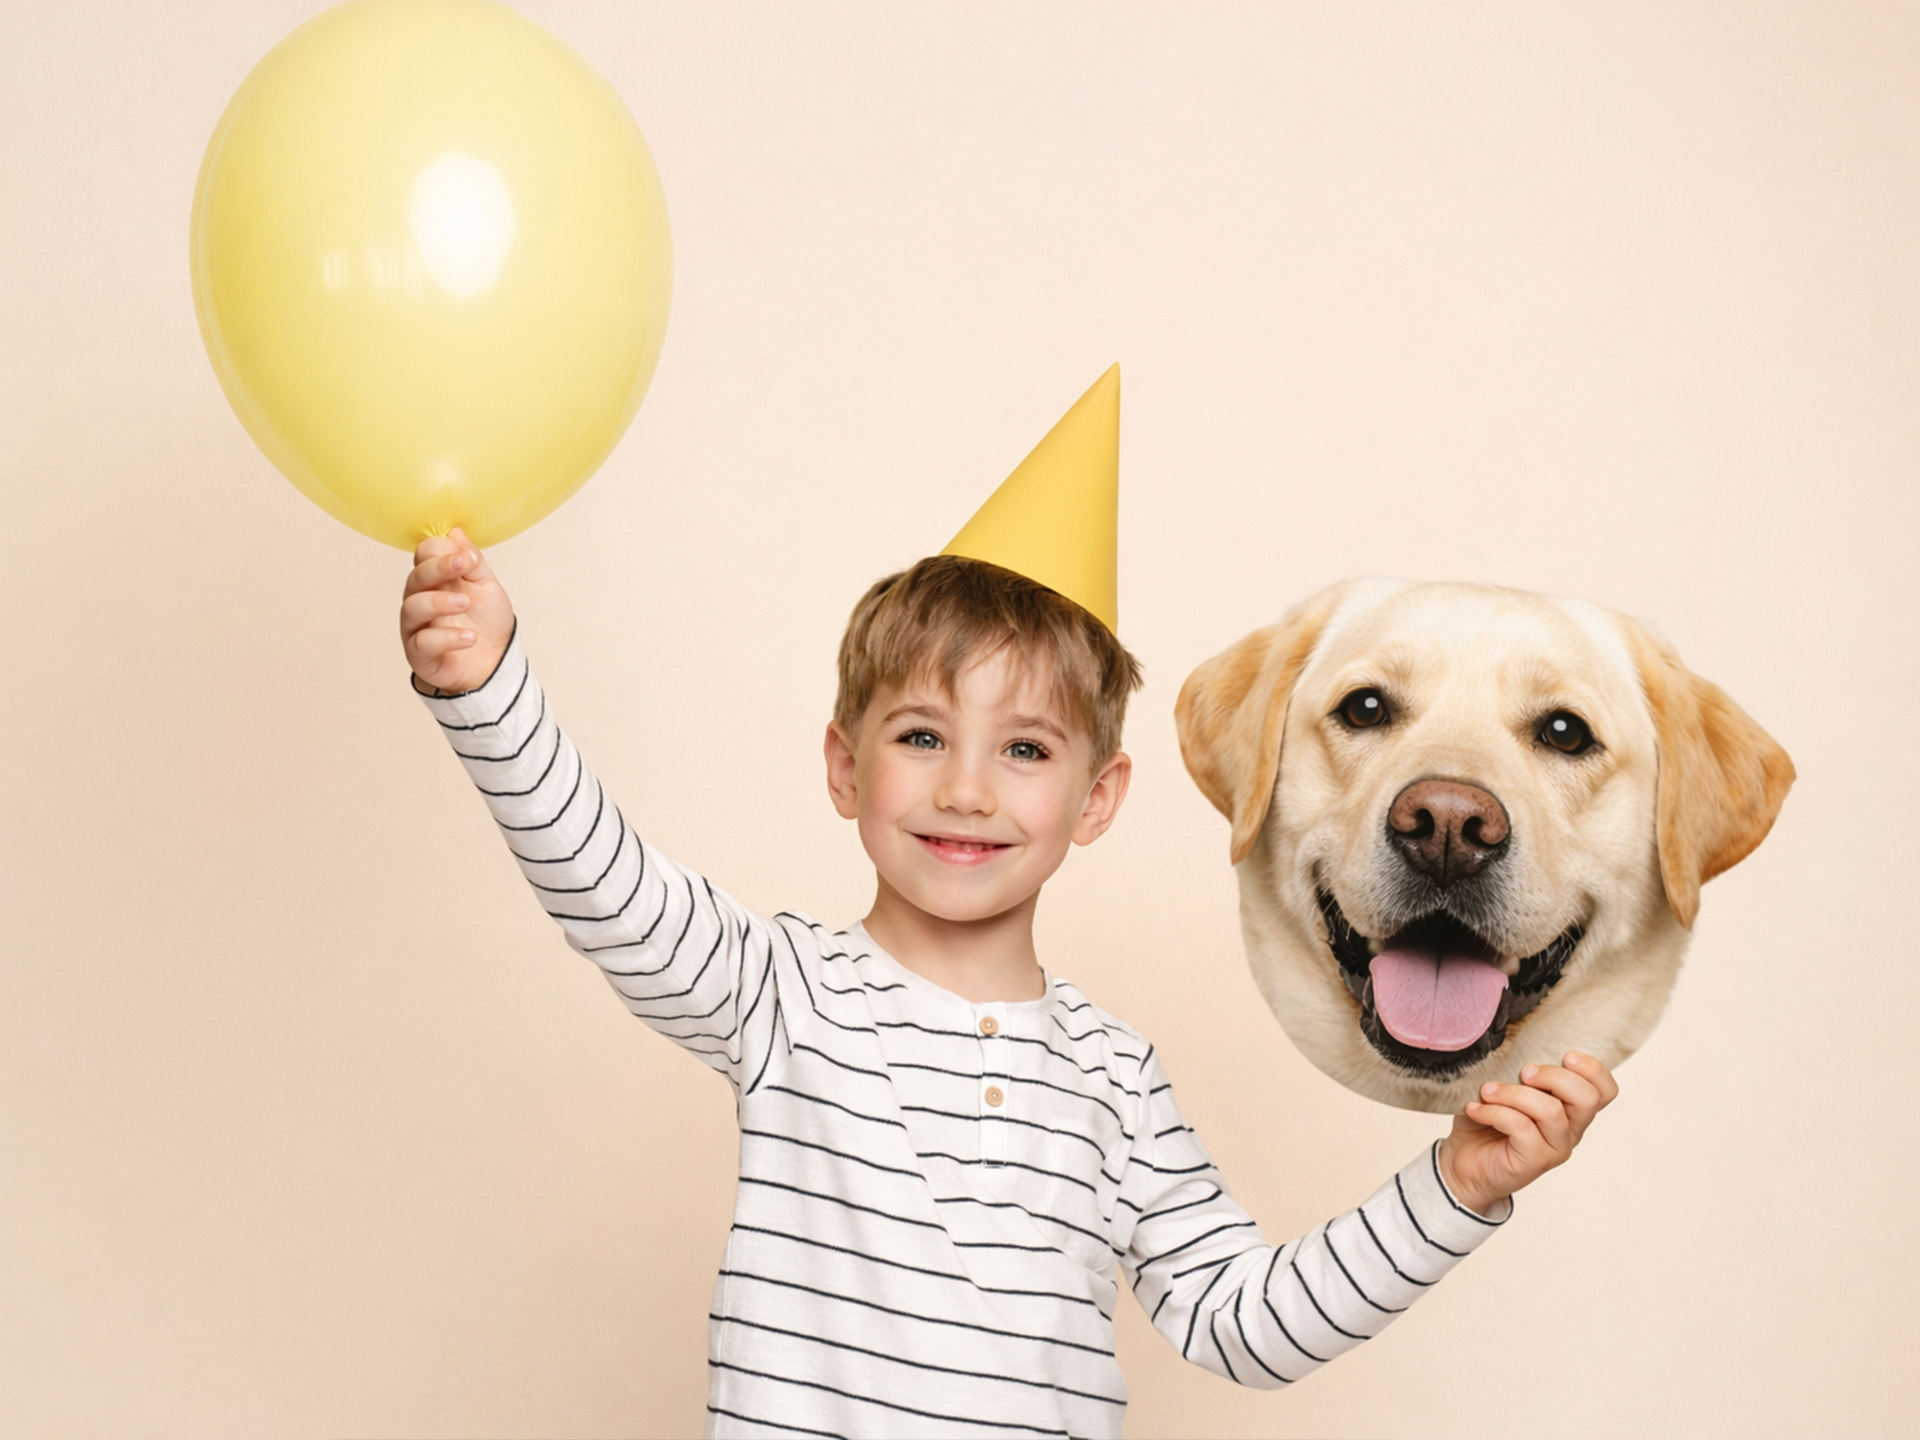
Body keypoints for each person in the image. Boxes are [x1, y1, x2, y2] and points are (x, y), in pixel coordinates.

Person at [398, 371, 1616, 1440]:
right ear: (844, 767)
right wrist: (488, 689)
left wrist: (1456, 1184)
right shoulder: (779, 994)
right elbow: (602, 882)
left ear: (1098, 799)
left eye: (1026, 751)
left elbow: (1243, 1325)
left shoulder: (1116, 1083)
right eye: (922, 735)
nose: (968, 789)